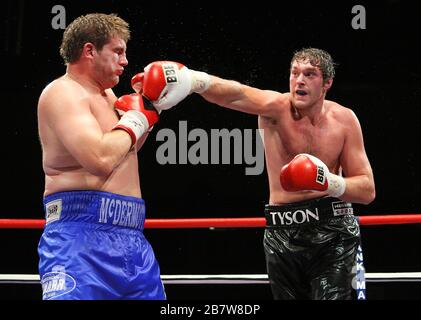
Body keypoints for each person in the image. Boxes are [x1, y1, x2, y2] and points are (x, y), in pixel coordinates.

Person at [134, 48, 375, 299]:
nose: (299, 80)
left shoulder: (345, 120)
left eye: (309, 74)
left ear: (327, 83)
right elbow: (236, 94)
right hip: (282, 233)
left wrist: (329, 182)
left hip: (334, 233)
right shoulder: (276, 109)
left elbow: (367, 190)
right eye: (294, 73)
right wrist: (194, 80)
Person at [37, 13, 175, 300]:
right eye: (118, 51)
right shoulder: (62, 93)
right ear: (89, 50)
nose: (125, 61)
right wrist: (137, 119)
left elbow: (126, 148)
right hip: (79, 238)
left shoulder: (109, 96)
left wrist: (151, 108)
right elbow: (99, 159)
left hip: (132, 237)